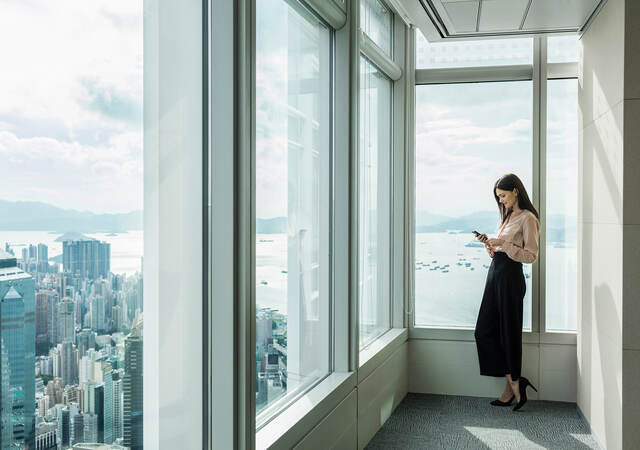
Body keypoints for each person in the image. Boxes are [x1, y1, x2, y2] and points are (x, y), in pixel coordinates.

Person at [474, 173, 540, 411]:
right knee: (484, 331)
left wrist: (504, 244)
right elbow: (502, 249)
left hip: (511, 278)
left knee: (509, 334)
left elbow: (531, 256)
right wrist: (490, 246)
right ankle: (514, 382)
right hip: (495, 274)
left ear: (515, 191)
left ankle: (512, 386)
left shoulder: (528, 219)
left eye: (502, 195)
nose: (501, 201)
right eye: (498, 197)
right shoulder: (508, 215)